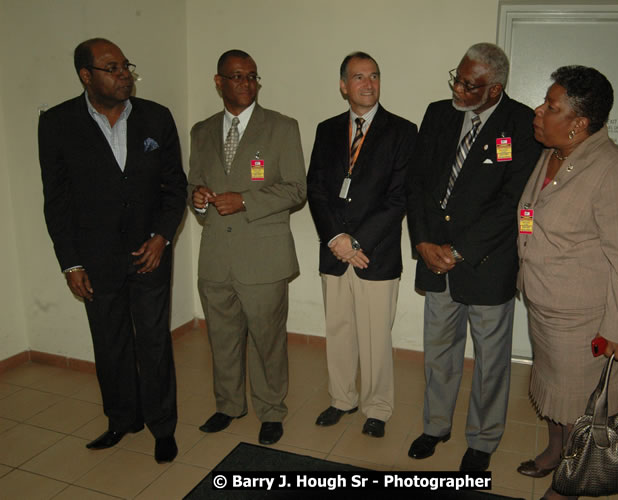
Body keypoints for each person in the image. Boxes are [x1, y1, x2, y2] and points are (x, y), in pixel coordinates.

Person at [38, 38, 186, 463]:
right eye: (112, 68)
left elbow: (174, 186)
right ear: (86, 76)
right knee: (109, 342)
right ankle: (122, 419)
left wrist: (162, 237)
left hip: (150, 253)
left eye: (125, 66)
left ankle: (162, 427)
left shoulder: (156, 117)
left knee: (154, 342)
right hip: (96, 258)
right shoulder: (58, 123)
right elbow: (57, 200)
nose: (125, 75)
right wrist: (71, 262)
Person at [515, 66, 618, 500]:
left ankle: (572, 483)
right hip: (546, 306)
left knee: (581, 408)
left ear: (579, 123)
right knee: (554, 394)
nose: (539, 111)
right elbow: (534, 217)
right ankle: (556, 452)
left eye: (551, 107)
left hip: (586, 319)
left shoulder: (617, 172)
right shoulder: (553, 154)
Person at [406, 42, 541, 471]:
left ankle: (482, 441)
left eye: (470, 85)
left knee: (489, 361)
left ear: (494, 89)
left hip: (486, 264)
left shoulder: (520, 124)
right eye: (457, 78)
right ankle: (436, 426)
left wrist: (460, 250)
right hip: (435, 259)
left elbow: (513, 200)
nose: (459, 89)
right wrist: (424, 242)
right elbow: (418, 183)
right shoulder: (438, 114)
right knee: (439, 350)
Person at [188, 49, 306, 446]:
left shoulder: (281, 127)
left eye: (252, 76)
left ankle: (271, 410)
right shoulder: (201, 131)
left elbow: (296, 188)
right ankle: (228, 405)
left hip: (263, 257)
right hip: (216, 257)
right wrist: (198, 199)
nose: (247, 84)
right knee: (221, 337)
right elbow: (192, 185)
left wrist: (245, 201)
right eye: (237, 77)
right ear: (218, 82)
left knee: (266, 339)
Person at [307, 52, 417, 438]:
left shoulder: (403, 131)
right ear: (343, 86)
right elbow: (316, 190)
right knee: (338, 330)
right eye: (358, 77)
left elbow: (399, 197)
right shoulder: (326, 129)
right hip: (334, 251)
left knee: (374, 336)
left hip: (376, 253)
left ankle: (377, 407)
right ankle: (342, 399)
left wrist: (356, 241)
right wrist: (336, 239)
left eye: (374, 76)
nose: (368, 84)